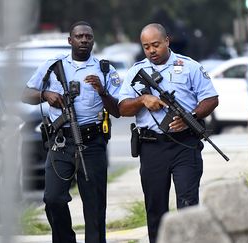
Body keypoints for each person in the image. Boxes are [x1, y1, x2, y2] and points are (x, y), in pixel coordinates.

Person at [118, 23, 219, 243]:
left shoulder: (190, 66)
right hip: (152, 147)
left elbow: (211, 99)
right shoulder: (135, 71)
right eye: (146, 47)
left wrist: (189, 117)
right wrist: (143, 100)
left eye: (155, 44)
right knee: (155, 208)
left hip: (185, 145)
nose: (151, 50)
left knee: (188, 203)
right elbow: (122, 108)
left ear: (167, 41)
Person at [21, 21, 121, 243]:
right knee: (53, 198)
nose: (84, 40)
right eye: (79, 36)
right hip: (61, 142)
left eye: (88, 37)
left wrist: (102, 92)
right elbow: (25, 93)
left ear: (93, 41)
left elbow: (118, 110)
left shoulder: (105, 69)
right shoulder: (52, 65)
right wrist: (45, 95)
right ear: (70, 40)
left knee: (95, 204)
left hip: (92, 142)